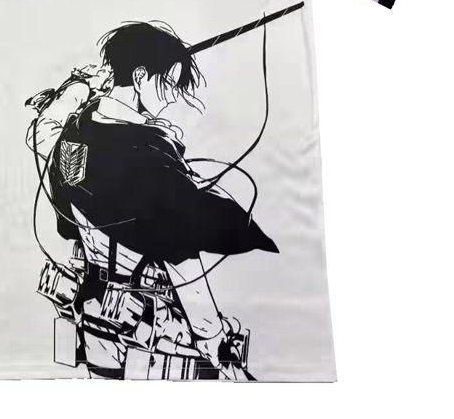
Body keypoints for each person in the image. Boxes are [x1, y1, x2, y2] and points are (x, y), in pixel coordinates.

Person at [26, 21, 277, 378]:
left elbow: (42, 130)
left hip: (94, 320)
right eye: (169, 83)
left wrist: (81, 85)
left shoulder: (73, 137)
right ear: (141, 76)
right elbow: (180, 254)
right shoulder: (148, 157)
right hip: (149, 331)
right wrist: (214, 339)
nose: (173, 97)